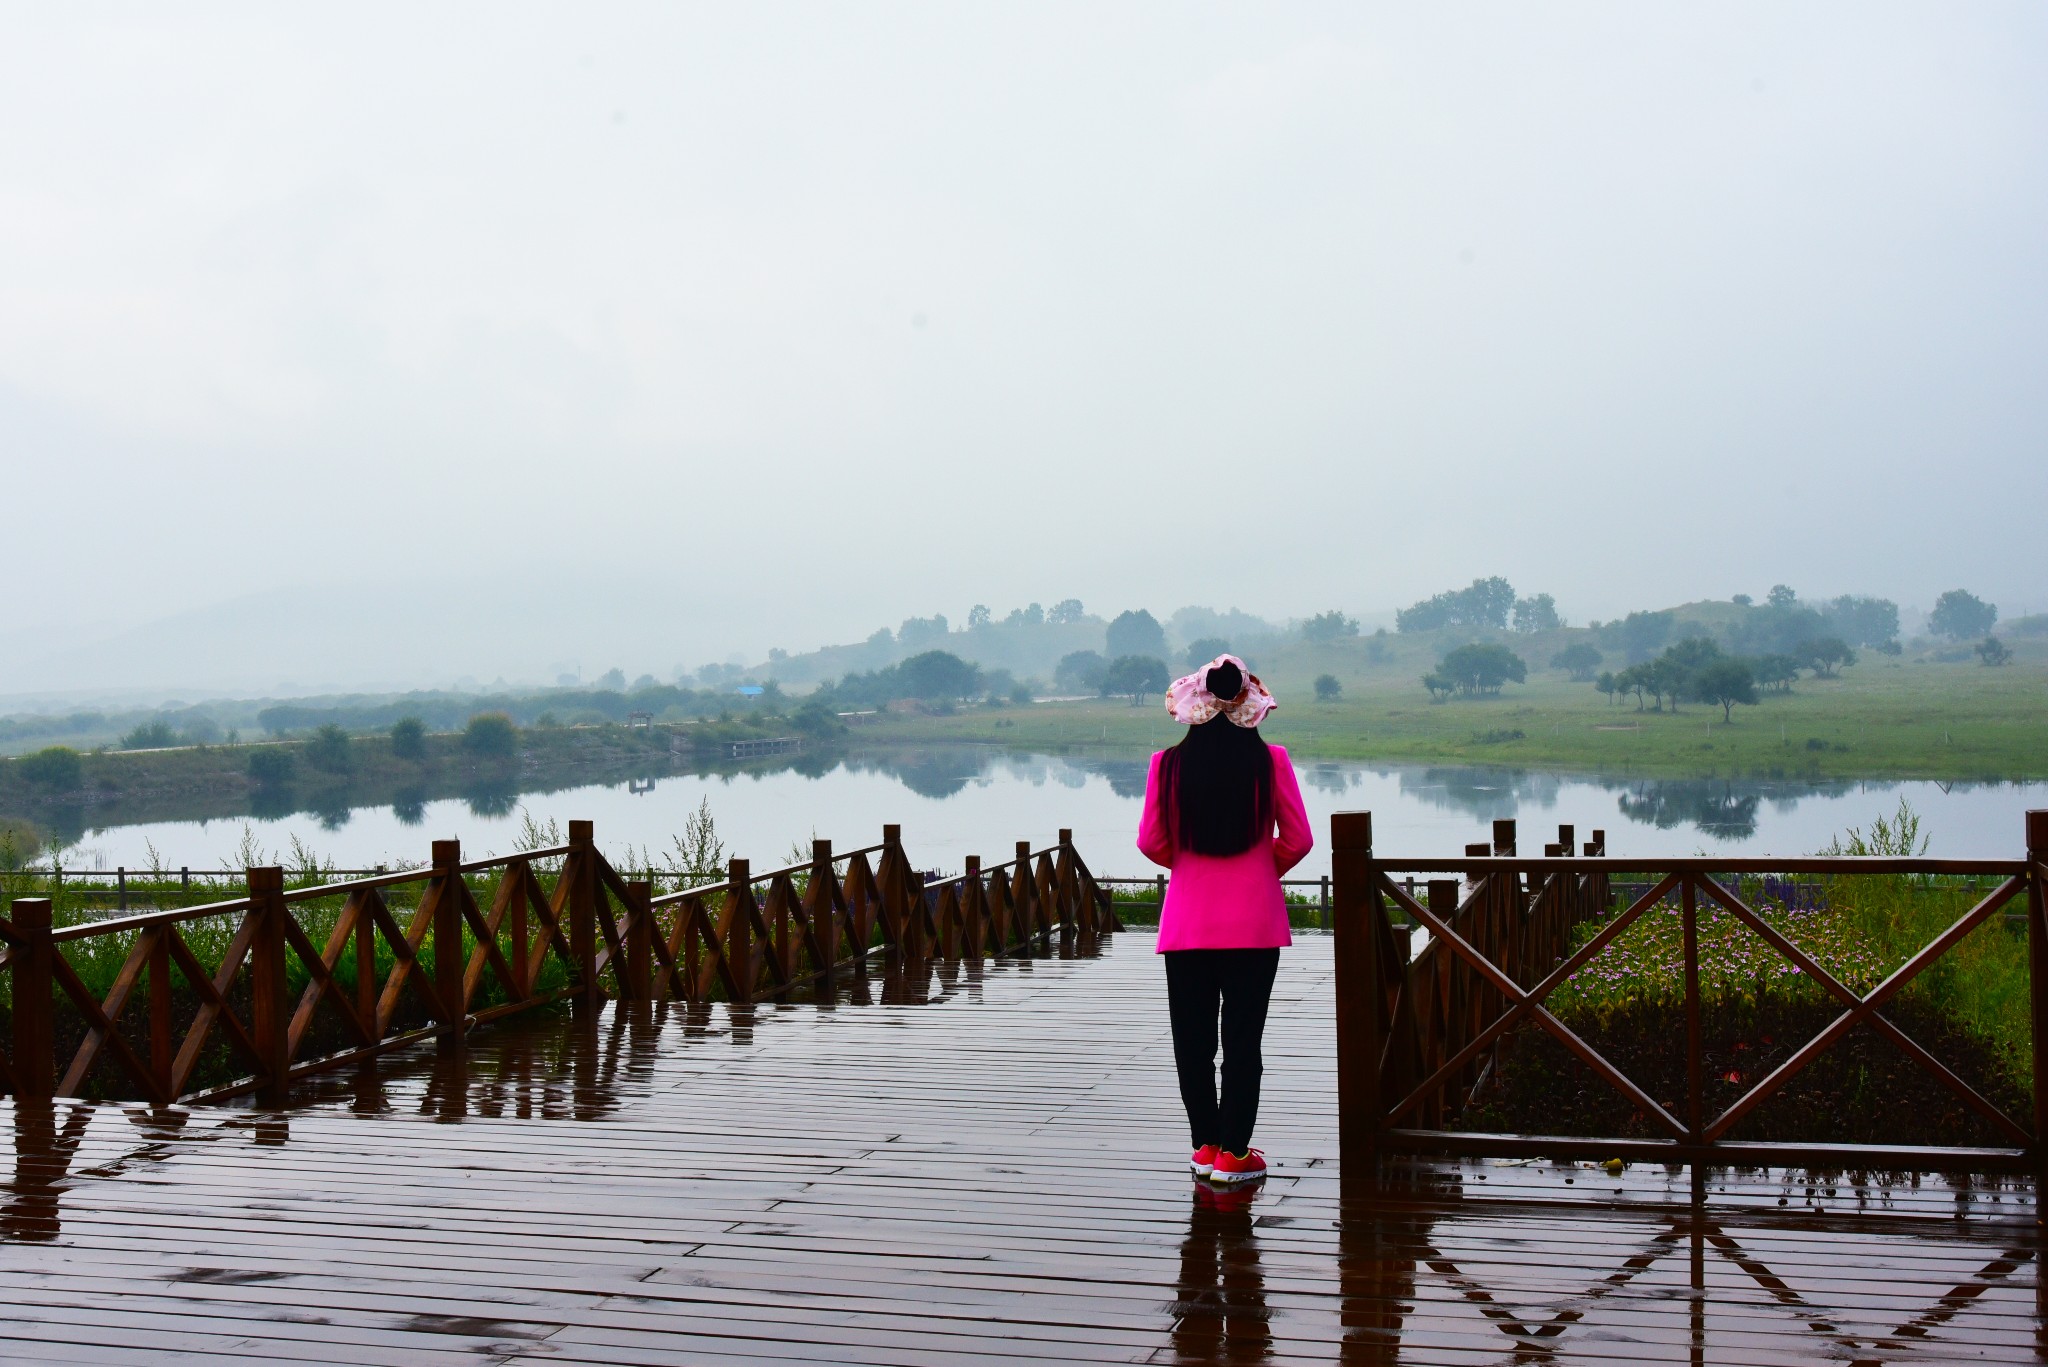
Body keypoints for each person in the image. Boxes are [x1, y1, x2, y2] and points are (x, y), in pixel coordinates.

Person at [1138, 654, 1311, 1185]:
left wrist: (1190, 868)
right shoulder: (1272, 761)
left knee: (1191, 1041)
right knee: (1243, 1040)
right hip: (1254, 925)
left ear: (1193, 706)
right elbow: (1299, 840)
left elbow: (1151, 842)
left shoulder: (1166, 765)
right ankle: (1235, 1154)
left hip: (1187, 924)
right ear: (1248, 707)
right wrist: (1259, 866)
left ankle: (1205, 1146)